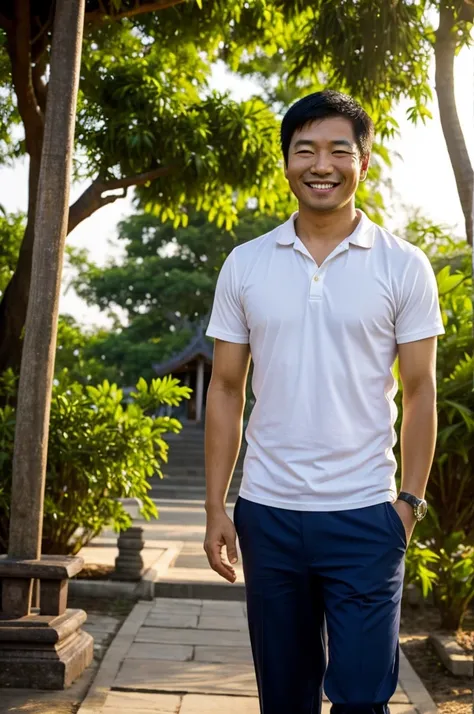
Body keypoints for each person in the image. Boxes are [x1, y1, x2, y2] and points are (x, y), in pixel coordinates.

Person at [203, 90, 444, 714]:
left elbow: (421, 391)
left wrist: (407, 507)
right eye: (305, 149)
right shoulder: (246, 263)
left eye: (340, 149)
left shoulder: (404, 265)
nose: (322, 164)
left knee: (364, 699)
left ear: (364, 161)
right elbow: (226, 388)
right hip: (268, 513)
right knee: (284, 699)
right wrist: (216, 507)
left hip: (366, 514)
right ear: (285, 162)